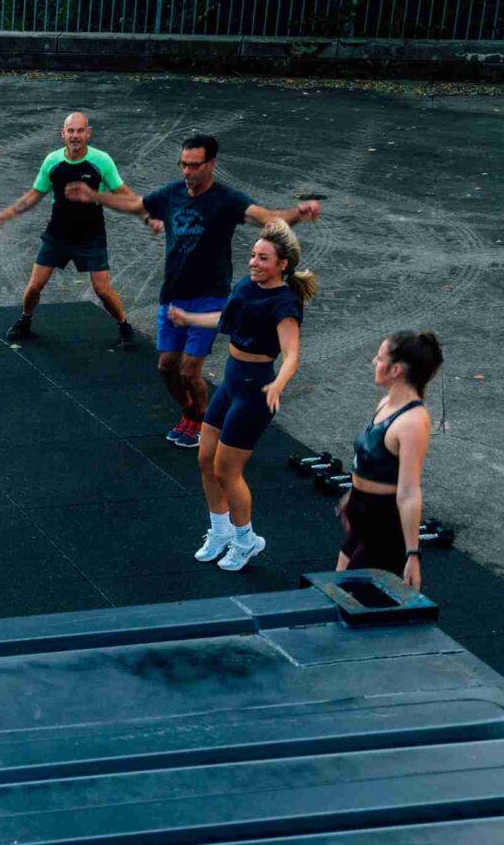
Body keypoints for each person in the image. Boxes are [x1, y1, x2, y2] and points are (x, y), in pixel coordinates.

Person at [66, 134, 322, 446]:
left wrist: (297, 213)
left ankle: (202, 418)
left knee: (189, 370)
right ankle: (189, 411)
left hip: (209, 296)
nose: (187, 171)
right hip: (173, 294)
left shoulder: (225, 200)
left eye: (194, 165)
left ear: (211, 164)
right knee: (166, 367)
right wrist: (94, 195)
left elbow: (267, 218)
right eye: (183, 165)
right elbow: (135, 204)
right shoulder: (171, 194)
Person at [165, 223, 316, 572]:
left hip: (255, 392)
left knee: (227, 470)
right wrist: (189, 318)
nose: (253, 262)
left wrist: (278, 384)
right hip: (231, 383)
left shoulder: (285, 302)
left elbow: (292, 354)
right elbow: (226, 317)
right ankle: (220, 532)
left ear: (282, 265)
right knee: (205, 459)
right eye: (253, 255)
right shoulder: (246, 287)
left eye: (263, 258)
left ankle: (247, 540)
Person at [0, 111, 138, 347]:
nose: (75, 135)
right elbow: (34, 195)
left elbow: (122, 192)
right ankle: (25, 321)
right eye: (70, 131)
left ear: (88, 133)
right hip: (57, 235)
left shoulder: (101, 161)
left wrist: (147, 211)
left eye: (80, 130)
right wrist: (3, 215)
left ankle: (124, 326)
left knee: (103, 291)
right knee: (34, 287)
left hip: (91, 236)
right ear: (62, 134)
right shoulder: (52, 161)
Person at [338, 330, 441, 590]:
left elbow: (409, 493)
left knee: (352, 597)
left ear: (396, 370)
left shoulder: (412, 422)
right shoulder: (385, 403)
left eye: (380, 358)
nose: (374, 362)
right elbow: (370, 460)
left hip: (383, 523)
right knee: (337, 587)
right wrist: (353, 495)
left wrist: (413, 555)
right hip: (362, 513)